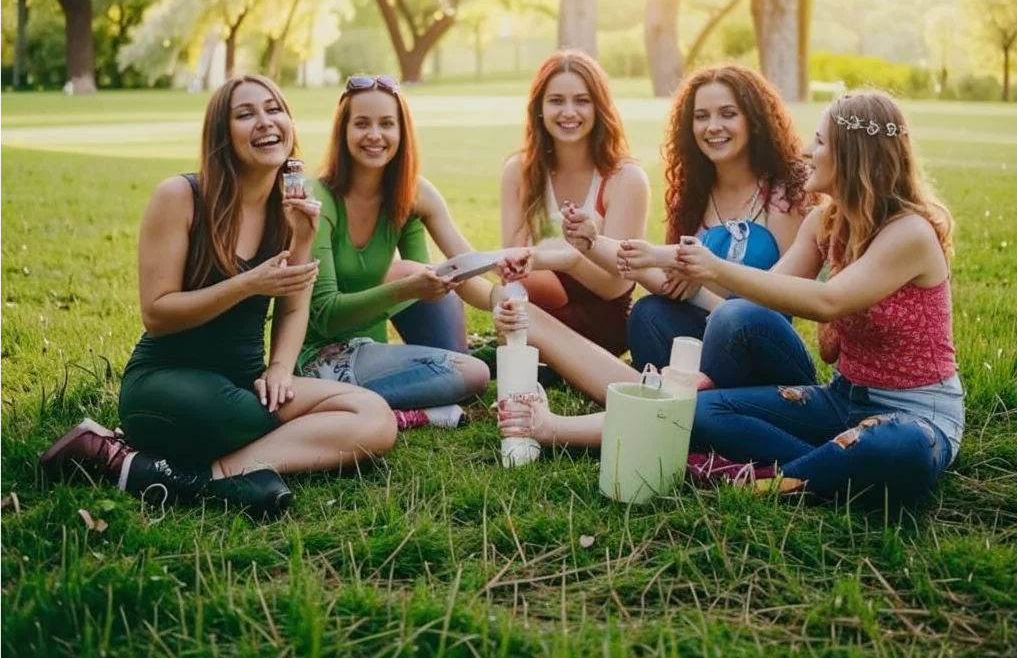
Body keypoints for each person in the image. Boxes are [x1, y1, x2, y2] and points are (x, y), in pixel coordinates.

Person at [502, 92, 964, 505]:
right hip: (843, 401)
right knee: (702, 408)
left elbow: (827, 301)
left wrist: (715, 267)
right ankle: (832, 467)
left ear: (854, 154)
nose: (808, 150)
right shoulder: (826, 223)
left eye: (821, 142)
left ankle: (768, 477)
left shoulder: (909, 234)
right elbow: (755, 305)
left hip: (915, 415)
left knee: (898, 448)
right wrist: (602, 246)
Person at [40, 75, 397, 516]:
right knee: (228, 416)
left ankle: (191, 477)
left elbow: (293, 303)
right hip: (169, 381)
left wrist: (282, 368)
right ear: (222, 135)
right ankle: (215, 467)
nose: (266, 122)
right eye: (246, 114)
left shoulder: (291, 205)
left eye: (274, 109)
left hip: (246, 383)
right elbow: (157, 313)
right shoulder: (181, 197)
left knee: (375, 418)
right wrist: (247, 284)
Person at [564, 64, 816, 390]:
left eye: (727, 114)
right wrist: (592, 242)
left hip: (764, 348)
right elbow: (673, 283)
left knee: (735, 316)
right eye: (701, 117)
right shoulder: (694, 196)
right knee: (649, 313)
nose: (713, 127)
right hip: (711, 344)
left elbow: (779, 302)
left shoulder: (786, 193)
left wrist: (698, 282)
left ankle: (698, 400)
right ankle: (685, 402)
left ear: (754, 121)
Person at [300, 75, 497, 424]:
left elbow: (426, 285)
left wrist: (503, 285)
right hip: (322, 357)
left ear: (402, 132)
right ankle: (410, 412)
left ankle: (437, 382)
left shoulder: (406, 195)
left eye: (387, 124)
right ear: (343, 132)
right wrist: (405, 288)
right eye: (362, 124)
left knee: (468, 371)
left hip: (373, 350)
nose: (375, 135)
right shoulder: (319, 198)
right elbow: (324, 315)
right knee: (473, 374)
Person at [499, 50, 650, 358]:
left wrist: (568, 259)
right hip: (539, 304)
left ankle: (544, 355)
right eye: (556, 101)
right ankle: (531, 353)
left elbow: (616, 286)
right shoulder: (519, 171)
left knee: (521, 284)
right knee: (508, 288)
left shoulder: (625, 178)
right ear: (539, 108)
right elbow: (512, 267)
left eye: (582, 100)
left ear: (599, 108)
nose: (569, 112)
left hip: (603, 318)